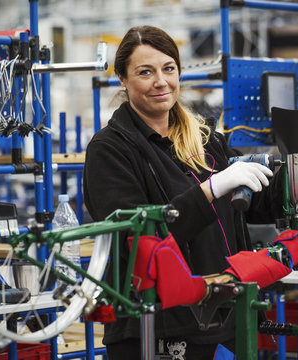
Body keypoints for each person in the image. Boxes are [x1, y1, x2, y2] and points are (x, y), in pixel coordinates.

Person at [83, 25, 284, 360]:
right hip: (159, 330)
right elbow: (138, 238)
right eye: (145, 72)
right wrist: (212, 188)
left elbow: (255, 207)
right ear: (122, 78)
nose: (161, 82)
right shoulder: (110, 150)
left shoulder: (204, 138)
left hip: (229, 315)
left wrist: (296, 174)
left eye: (169, 69)